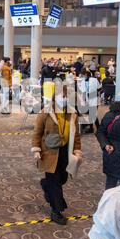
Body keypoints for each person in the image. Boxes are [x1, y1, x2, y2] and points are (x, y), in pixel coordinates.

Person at [31, 87, 82, 225]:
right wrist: (36, 149)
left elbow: (76, 135)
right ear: (55, 97)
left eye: (66, 96)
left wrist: (77, 150)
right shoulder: (45, 112)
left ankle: (46, 185)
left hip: (65, 151)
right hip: (49, 152)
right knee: (55, 183)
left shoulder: (72, 113)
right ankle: (56, 210)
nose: (64, 99)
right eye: (62, 96)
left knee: (62, 178)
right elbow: (37, 132)